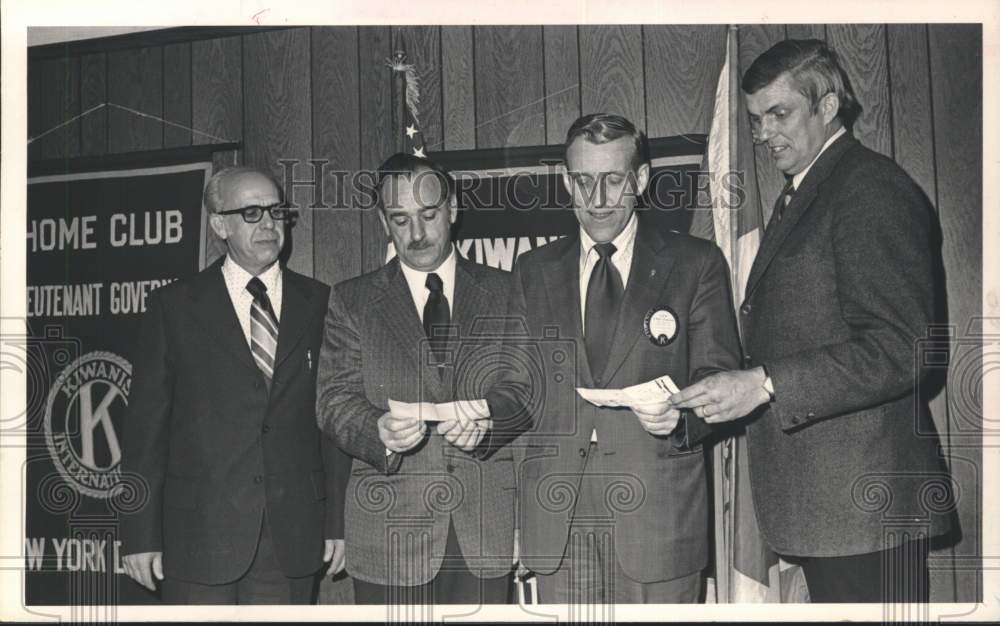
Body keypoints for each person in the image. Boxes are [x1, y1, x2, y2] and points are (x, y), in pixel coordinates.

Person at [670, 39, 953, 603]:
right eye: (754, 120)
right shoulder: (806, 193)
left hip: (866, 511)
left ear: (828, 107)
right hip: (832, 513)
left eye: (780, 113)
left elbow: (904, 348)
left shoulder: (868, 189)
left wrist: (764, 382)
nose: (764, 133)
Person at [488, 113, 742, 603]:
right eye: (583, 181)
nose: (597, 198)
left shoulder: (696, 263)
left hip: (658, 518)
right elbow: (516, 386)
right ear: (566, 182)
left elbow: (719, 379)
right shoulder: (532, 270)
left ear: (640, 180)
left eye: (612, 180)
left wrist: (679, 417)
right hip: (559, 522)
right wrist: (481, 420)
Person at [119, 167, 349, 604]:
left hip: (292, 539)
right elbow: (144, 431)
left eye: (276, 211)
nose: (268, 224)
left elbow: (333, 423)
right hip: (198, 538)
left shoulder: (321, 303)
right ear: (219, 224)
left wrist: (336, 522)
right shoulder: (173, 306)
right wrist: (138, 533)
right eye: (251, 212)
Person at [315, 153, 518, 604]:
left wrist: (490, 423)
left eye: (428, 215)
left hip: (483, 531)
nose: (418, 234)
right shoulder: (352, 300)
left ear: (452, 209)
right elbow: (334, 401)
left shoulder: (507, 292)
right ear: (383, 221)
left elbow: (523, 390)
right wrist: (377, 430)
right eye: (400, 219)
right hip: (388, 535)